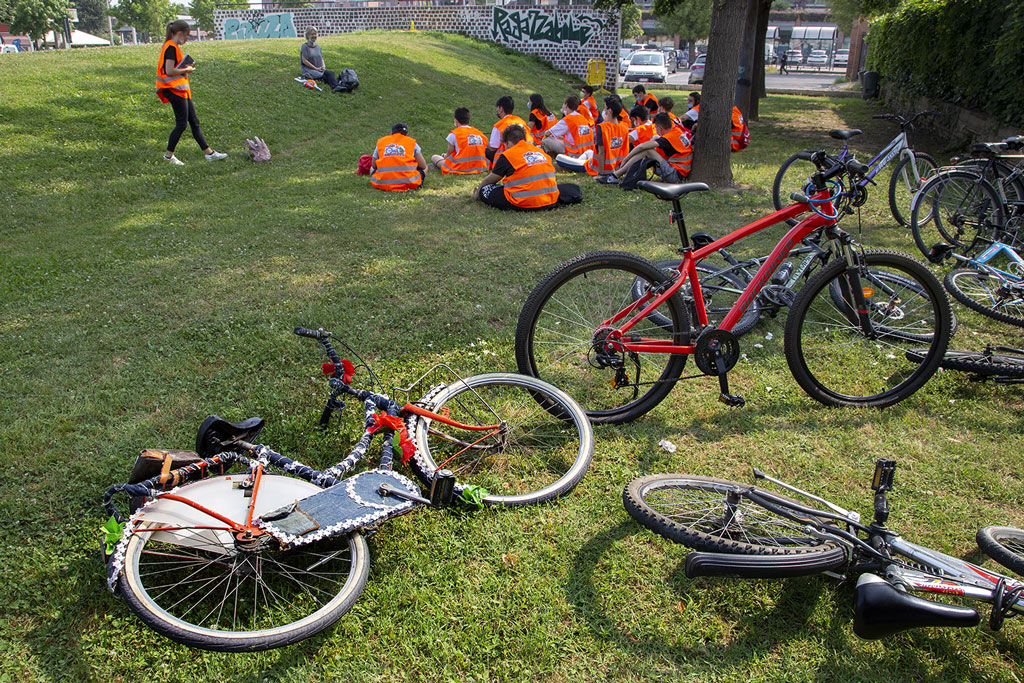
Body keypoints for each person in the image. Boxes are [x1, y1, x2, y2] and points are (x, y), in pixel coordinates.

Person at [156, 19, 226, 165]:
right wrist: (186, 69)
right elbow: (169, 70)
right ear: (180, 33)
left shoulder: (172, 47)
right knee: (181, 124)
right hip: (174, 90)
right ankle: (168, 156)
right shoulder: (171, 47)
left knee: (194, 122)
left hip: (181, 92)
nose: (187, 39)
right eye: (187, 35)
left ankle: (209, 153)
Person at [473, 125, 581, 211]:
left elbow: (490, 180)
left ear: (508, 143)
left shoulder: (508, 155)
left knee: (486, 189)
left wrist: (478, 192)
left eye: (505, 145)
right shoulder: (540, 151)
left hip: (523, 202)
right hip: (549, 200)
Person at [601, 112, 692, 185]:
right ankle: (617, 175)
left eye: (656, 128)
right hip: (681, 172)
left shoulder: (667, 138)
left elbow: (642, 146)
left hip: (675, 175)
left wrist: (626, 159)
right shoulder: (677, 131)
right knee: (648, 150)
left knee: (648, 150)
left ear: (659, 128)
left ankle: (616, 175)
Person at [542, 96, 595, 172]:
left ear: (566, 105)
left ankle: (550, 156)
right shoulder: (581, 117)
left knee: (546, 140)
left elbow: (548, 133)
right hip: (588, 151)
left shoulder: (568, 119)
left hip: (575, 152)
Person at [370, 122, 428, 191]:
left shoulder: (382, 142)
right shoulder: (411, 142)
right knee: (426, 167)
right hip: (409, 183)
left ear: (392, 133)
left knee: (371, 168)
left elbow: (374, 165)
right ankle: (417, 182)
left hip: (382, 184)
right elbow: (423, 166)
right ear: (407, 134)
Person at [431, 107, 488, 174]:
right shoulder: (479, 133)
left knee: (434, 157)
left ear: (456, 120)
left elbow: (449, 154)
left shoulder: (454, 134)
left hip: (461, 168)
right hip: (481, 167)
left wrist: (444, 157)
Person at [591, 97, 630, 178]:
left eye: (605, 107)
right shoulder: (624, 126)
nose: (604, 110)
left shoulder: (602, 127)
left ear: (610, 110)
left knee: (561, 158)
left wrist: (600, 174)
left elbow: (601, 152)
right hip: (618, 168)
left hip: (599, 168)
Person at [486, 95, 532, 163]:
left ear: (501, 109)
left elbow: (493, 147)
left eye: (497, 108)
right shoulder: (521, 121)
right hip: (526, 154)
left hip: (507, 157)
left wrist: (484, 141)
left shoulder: (500, 125)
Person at [300, 27, 345, 92]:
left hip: (319, 69)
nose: (314, 36)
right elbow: (304, 61)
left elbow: (321, 58)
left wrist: (323, 66)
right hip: (309, 70)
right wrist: (316, 69)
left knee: (330, 73)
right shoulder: (305, 47)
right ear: (307, 35)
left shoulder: (318, 47)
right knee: (324, 76)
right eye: (312, 34)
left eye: (315, 34)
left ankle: (337, 86)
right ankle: (336, 87)